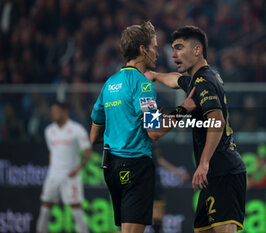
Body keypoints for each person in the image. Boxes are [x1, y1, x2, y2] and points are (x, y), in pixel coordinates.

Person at [89, 21, 195, 233]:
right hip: (135, 165)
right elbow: (154, 131)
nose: (157, 53)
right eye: (154, 47)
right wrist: (182, 109)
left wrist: (123, 133)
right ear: (142, 50)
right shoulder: (143, 84)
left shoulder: (109, 84)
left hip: (111, 167)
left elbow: (94, 137)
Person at [146, 26, 247, 233]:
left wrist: (204, 162)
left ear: (197, 50)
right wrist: (155, 75)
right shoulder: (199, 78)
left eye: (179, 48)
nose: (173, 54)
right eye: (173, 49)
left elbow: (217, 122)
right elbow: (176, 80)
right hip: (214, 173)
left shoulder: (203, 81)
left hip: (222, 170)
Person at [36, 101, 92, 233]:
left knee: (76, 210)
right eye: (52, 111)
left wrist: (79, 168)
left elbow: (87, 152)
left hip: (70, 176)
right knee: (45, 208)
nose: (53, 114)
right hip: (53, 175)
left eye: (56, 111)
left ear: (65, 112)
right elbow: (52, 152)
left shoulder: (77, 129)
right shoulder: (49, 131)